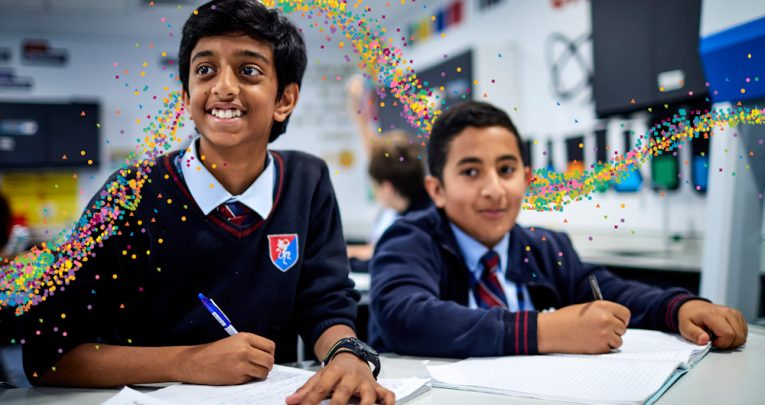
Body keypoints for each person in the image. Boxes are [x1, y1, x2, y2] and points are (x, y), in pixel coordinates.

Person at [20, 1, 393, 404]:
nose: (224, 87)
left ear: (285, 99)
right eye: (205, 70)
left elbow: (324, 302)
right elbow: (47, 356)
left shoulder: (308, 179)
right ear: (187, 96)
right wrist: (188, 361)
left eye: (248, 70)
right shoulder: (129, 193)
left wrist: (346, 355)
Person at [368, 100, 748, 357]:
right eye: (470, 171)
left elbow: (606, 288)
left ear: (526, 178)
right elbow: (406, 317)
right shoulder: (409, 240)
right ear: (436, 189)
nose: (495, 189)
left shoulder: (544, 246)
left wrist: (678, 306)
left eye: (506, 170)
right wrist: (547, 330)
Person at [344, 76, 430, 265]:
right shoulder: (396, 206)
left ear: (387, 188)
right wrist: (358, 110)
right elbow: (374, 151)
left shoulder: (417, 226)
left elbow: (376, 253)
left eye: (375, 184)